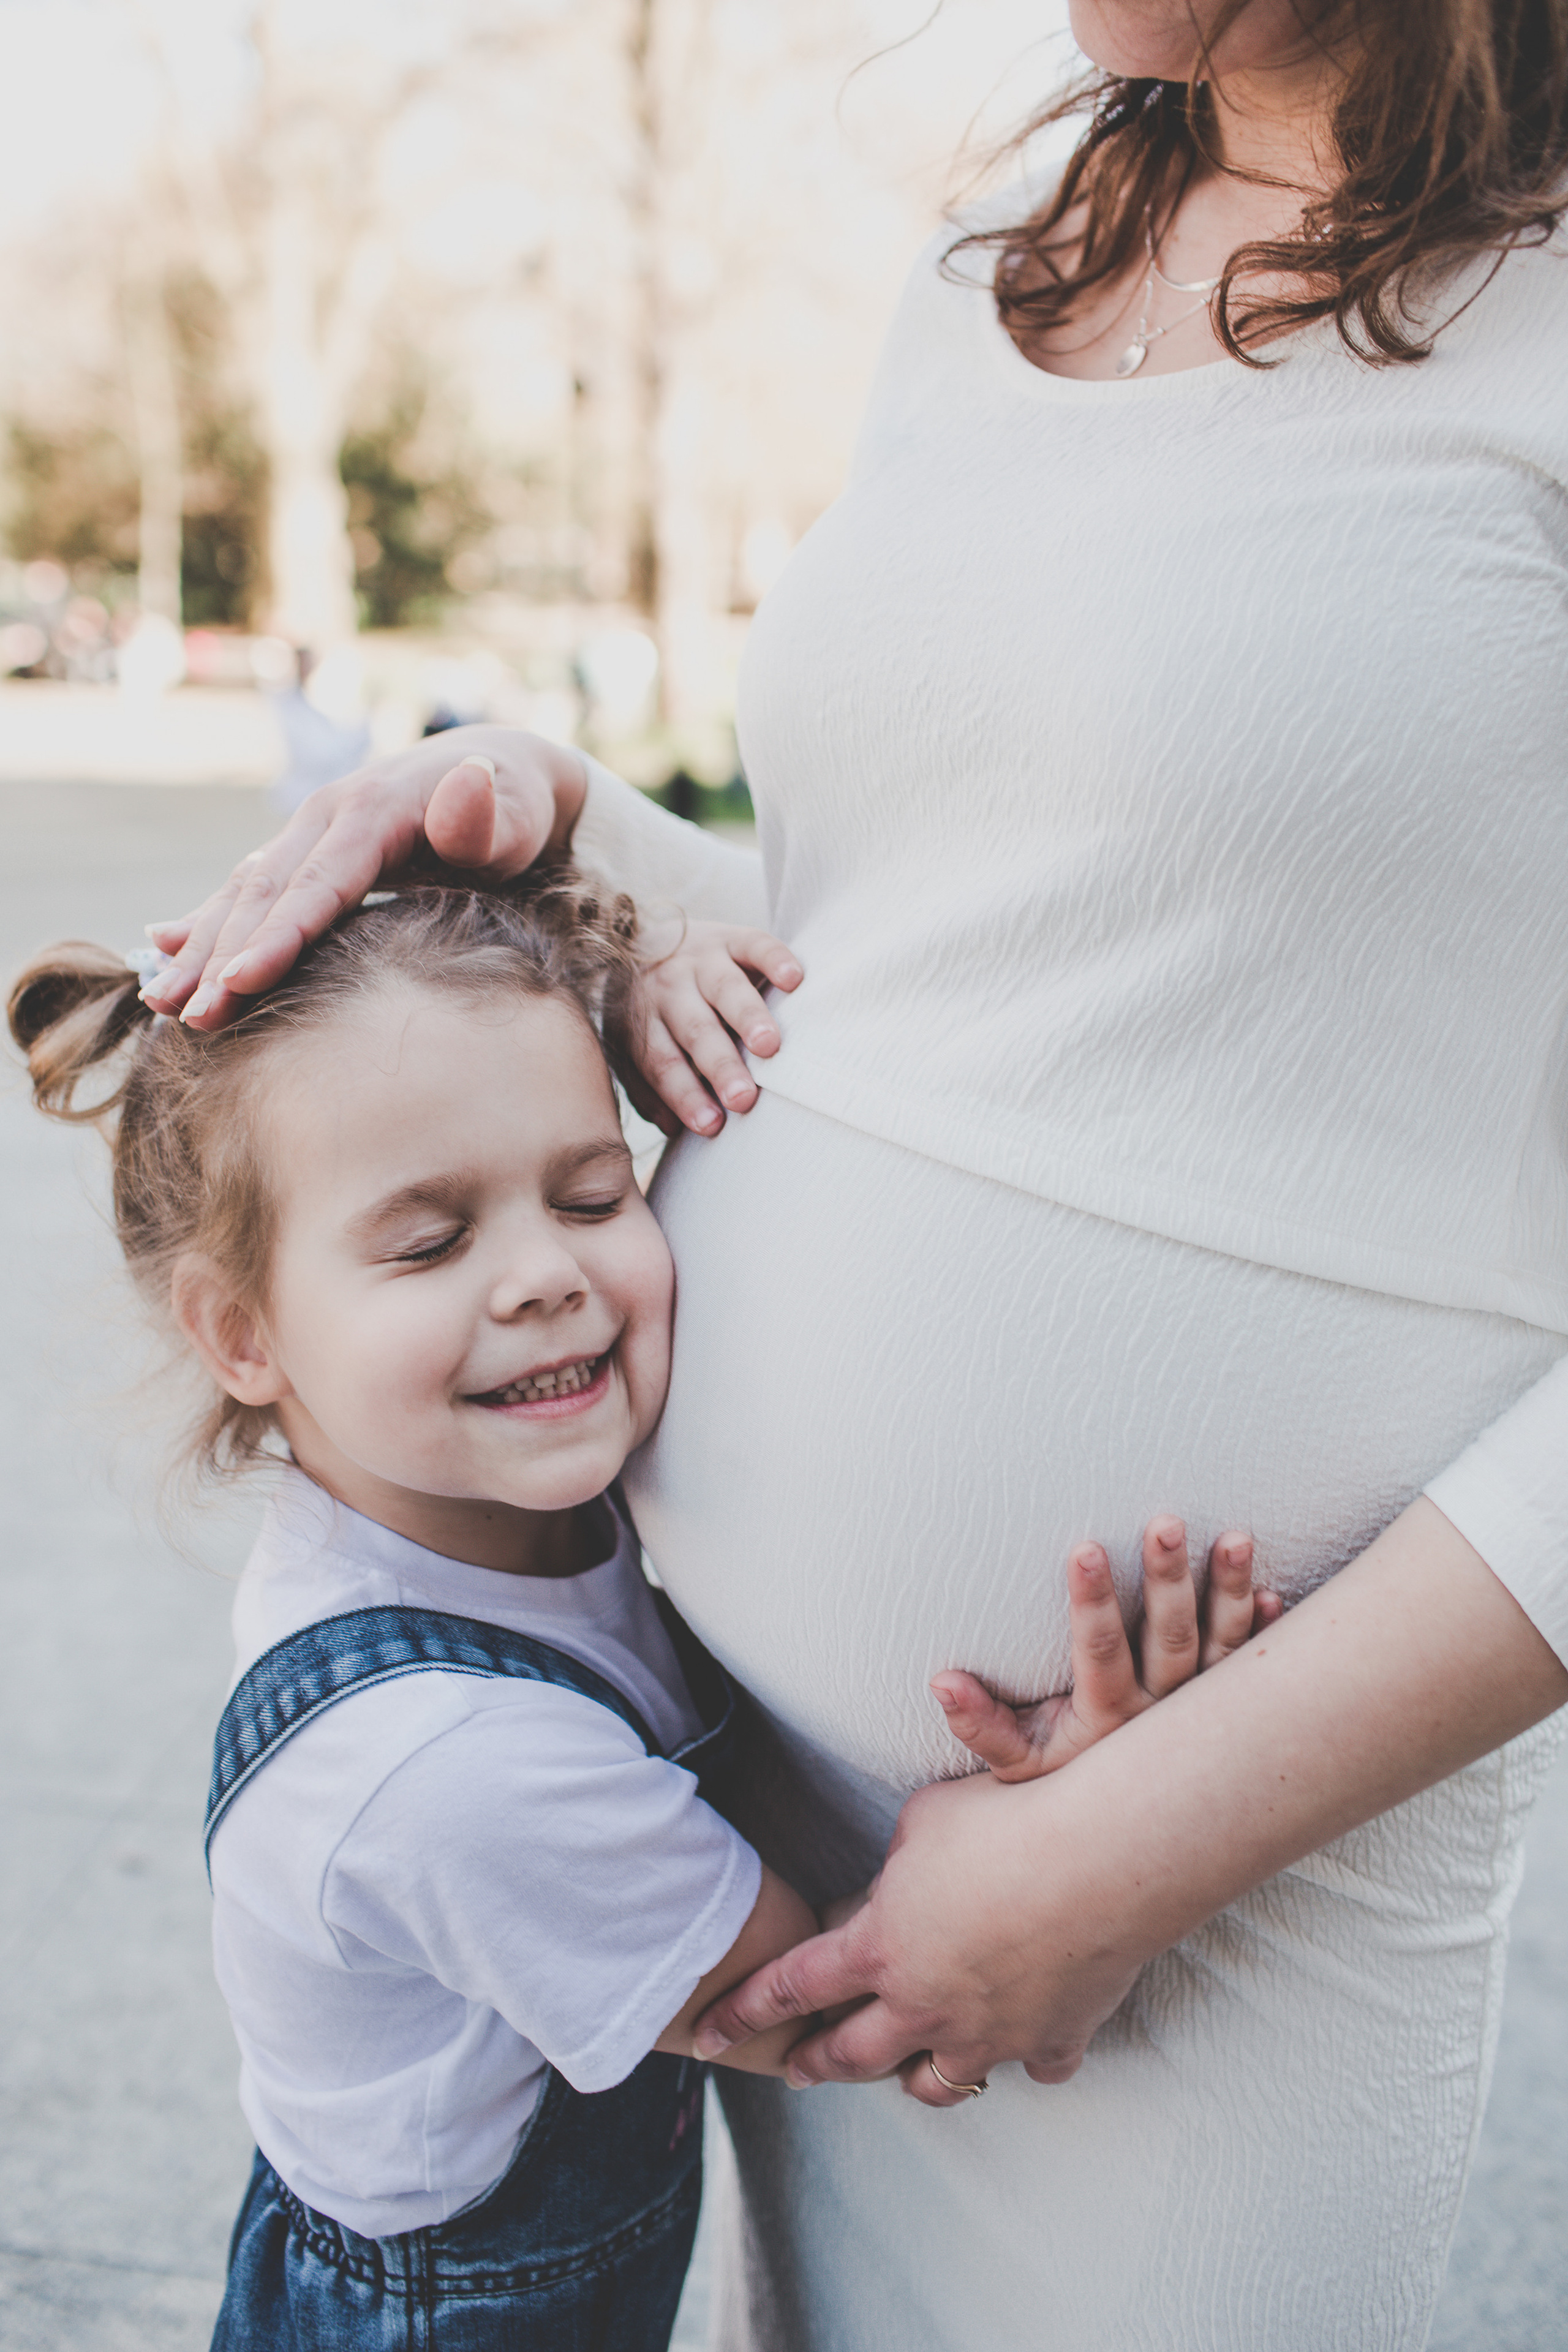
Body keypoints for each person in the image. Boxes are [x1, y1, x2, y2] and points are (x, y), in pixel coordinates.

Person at [134, 0, 1568, 2342]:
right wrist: (568, 820)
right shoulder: (1008, 258)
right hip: (749, 1773)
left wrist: (1141, 1835)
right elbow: (949, 947)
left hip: (1210, 1877)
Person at [7, 883, 1266, 2348]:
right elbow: (832, 1996)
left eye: (592, 1195)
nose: (543, 1276)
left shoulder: (466, 1499)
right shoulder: (445, 1768)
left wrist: (660, 950)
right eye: (427, 1245)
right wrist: (1102, 1803)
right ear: (240, 1333)